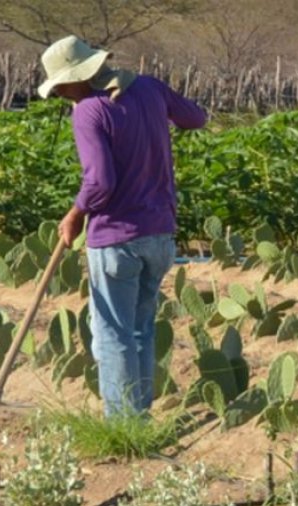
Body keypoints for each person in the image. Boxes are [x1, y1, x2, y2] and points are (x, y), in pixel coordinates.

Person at [38, 35, 207, 417]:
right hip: (160, 235)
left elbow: (100, 182)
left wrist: (75, 213)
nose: (62, 93)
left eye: (62, 85)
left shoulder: (88, 110)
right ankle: (139, 417)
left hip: (116, 238)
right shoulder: (148, 87)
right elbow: (196, 118)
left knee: (113, 335)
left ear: (80, 76)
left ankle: (122, 425)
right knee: (141, 329)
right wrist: (151, 106)